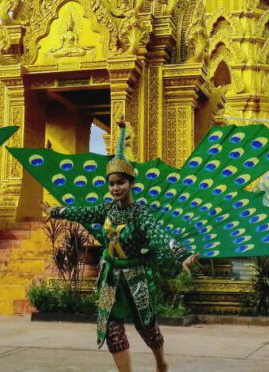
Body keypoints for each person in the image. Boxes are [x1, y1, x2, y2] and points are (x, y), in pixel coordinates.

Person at [40, 119, 199, 372]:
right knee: (112, 329)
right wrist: (56, 211)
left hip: (136, 277)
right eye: (112, 183)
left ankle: (161, 362)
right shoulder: (106, 209)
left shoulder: (140, 213)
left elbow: (158, 235)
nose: (115, 188)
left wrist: (181, 254)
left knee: (147, 326)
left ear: (131, 183)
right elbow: (83, 212)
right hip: (110, 277)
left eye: (120, 183)